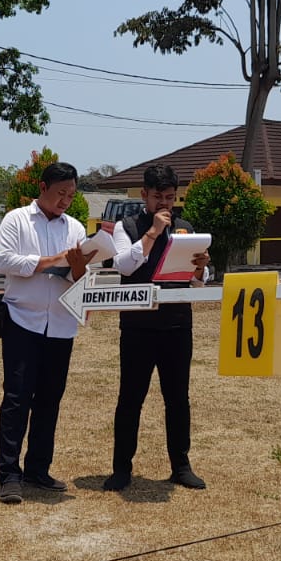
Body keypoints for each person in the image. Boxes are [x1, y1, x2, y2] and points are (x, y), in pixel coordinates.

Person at [104, 164, 211, 492]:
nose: (165, 204)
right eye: (158, 197)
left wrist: (201, 270)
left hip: (177, 323)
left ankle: (181, 465)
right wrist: (151, 233)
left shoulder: (185, 228)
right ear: (144, 196)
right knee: (131, 398)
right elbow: (123, 265)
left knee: (178, 398)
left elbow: (198, 283)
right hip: (138, 325)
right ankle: (122, 468)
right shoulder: (127, 227)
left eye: (170, 197)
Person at [0, 161, 92, 505]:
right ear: (43, 186)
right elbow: (5, 262)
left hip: (61, 325)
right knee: (17, 398)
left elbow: (80, 279)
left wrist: (78, 267)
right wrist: (51, 260)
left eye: (71, 194)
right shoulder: (16, 220)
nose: (66, 200)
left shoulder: (77, 228)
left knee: (50, 400)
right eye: (61, 192)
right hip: (23, 320)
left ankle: (38, 468)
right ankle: (9, 474)